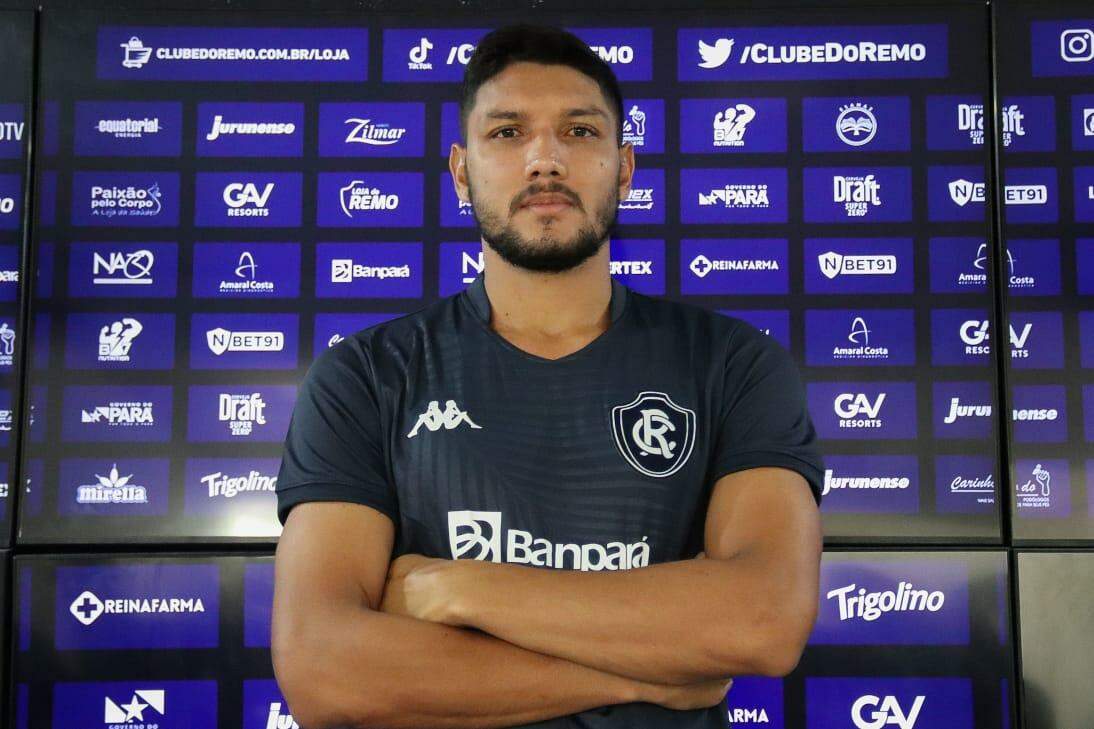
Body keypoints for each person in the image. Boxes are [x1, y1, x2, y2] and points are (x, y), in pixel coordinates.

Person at [272, 24, 824, 729]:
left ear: (624, 168)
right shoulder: (366, 376)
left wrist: (455, 588)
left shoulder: (733, 363)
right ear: (461, 172)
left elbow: (763, 620)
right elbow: (323, 670)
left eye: (579, 131)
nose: (545, 159)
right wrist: (653, 672)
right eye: (507, 133)